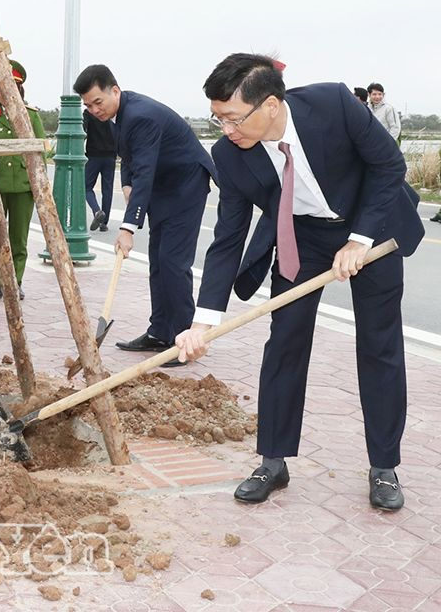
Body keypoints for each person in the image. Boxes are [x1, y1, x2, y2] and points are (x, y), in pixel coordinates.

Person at [175, 53, 424, 511]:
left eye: (232, 118)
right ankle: (273, 461)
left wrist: (359, 239)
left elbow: (389, 165)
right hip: (301, 236)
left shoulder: (334, 104)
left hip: (373, 226)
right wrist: (202, 323)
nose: (225, 129)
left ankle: (384, 467)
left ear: (270, 105)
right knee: (284, 341)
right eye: (217, 118)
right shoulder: (228, 155)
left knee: (379, 345)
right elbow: (228, 238)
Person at [73, 64, 215, 361]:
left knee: (173, 262)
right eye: (88, 106)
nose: (94, 110)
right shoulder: (116, 115)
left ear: (115, 90)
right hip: (164, 187)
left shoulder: (141, 116)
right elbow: (128, 154)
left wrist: (127, 228)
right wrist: (126, 183)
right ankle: (160, 332)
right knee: (158, 261)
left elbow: (146, 171)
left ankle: (183, 341)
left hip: (185, 185)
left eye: (97, 102)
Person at [0, 60, 46, 301]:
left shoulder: (31, 115)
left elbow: (40, 152)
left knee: (18, 239)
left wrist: (40, 184)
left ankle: (16, 282)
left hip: (22, 186)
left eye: (11, 86)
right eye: (0, 87)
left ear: (19, 89)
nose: (5, 91)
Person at [83, 107, 116, 232]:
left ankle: (97, 211)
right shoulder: (110, 110)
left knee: (86, 187)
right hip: (110, 156)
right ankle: (104, 223)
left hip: (94, 155)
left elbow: (83, 131)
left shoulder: (89, 113)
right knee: (107, 190)